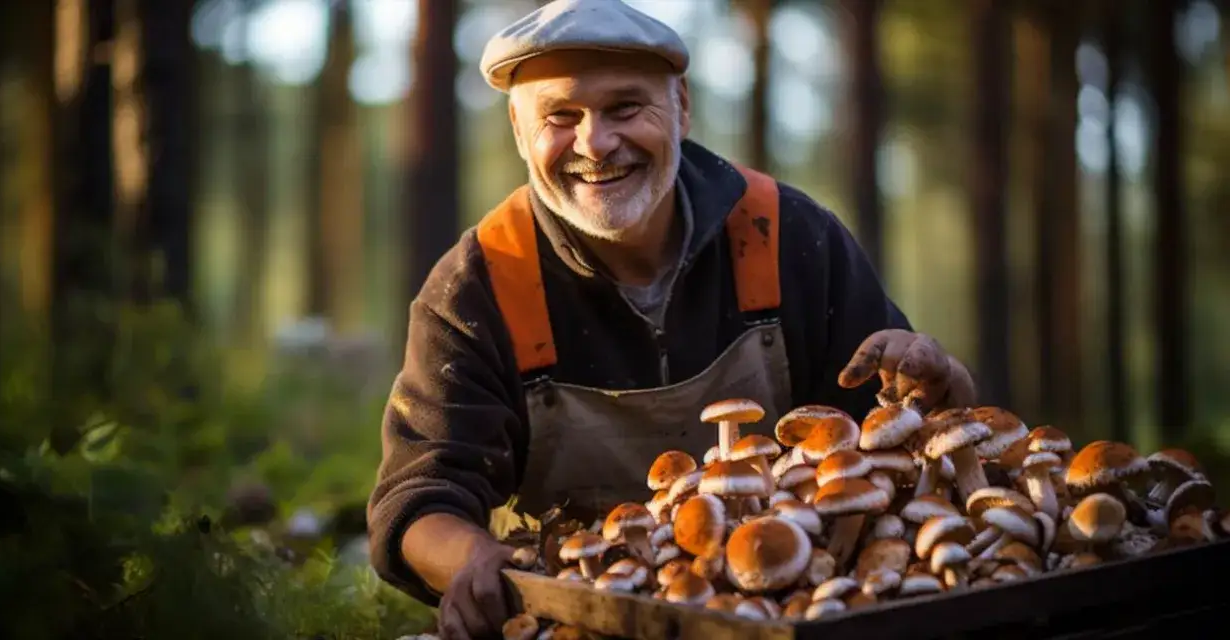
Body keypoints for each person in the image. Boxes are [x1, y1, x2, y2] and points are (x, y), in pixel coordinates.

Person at [367, 0, 976, 637]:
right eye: (559, 116)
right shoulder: (479, 285)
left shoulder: (788, 236)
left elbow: (909, 437)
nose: (595, 144)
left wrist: (940, 384)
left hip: (796, 606)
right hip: (586, 617)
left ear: (681, 107)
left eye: (625, 108)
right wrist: (471, 557)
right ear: (520, 135)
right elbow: (418, 500)